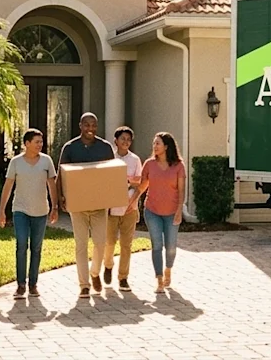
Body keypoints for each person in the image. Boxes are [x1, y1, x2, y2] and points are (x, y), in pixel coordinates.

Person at [57, 112, 116, 299]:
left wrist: (113, 197)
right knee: (81, 245)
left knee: (100, 243)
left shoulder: (105, 147)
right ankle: (84, 285)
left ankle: (94, 272)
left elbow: (112, 174)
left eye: (93, 125)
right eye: (87, 125)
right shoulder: (70, 148)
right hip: (78, 205)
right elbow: (62, 173)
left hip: (100, 205)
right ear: (80, 126)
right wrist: (59, 198)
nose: (90, 129)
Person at [0, 128, 58, 299]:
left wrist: (55, 207)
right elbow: (8, 186)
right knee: (21, 245)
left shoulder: (46, 161)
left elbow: (52, 185)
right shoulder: (16, 162)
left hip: (40, 211)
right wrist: (2, 211)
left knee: (36, 248)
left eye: (41, 141)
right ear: (27, 144)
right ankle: (20, 285)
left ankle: (33, 284)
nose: (40, 144)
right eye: (37, 141)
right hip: (20, 210)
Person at [132, 132, 186, 294]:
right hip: (152, 211)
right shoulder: (149, 164)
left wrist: (179, 210)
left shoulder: (178, 166)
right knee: (156, 245)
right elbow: (142, 186)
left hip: (171, 212)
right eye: (154, 143)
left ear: (166, 147)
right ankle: (159, 280)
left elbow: (181, 191)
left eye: (158, 143)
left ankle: (168, 268)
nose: (154, 146)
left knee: (171, 247)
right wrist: (133, 201)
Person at [103, 126, 143, 293]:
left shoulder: (135, 160)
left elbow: (139, 182)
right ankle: (108, 265)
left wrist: (133, 201)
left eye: (128, 139)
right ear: (116, 141)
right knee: (109, 242)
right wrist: (127, 180)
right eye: (123, 139)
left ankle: (123, 277)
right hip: (111, 208)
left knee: (126, 244)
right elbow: (106, 180)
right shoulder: (109, 158)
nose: (125, 142)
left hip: (130, 207)